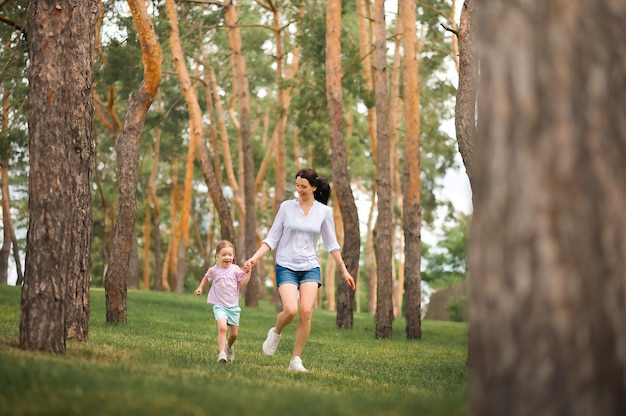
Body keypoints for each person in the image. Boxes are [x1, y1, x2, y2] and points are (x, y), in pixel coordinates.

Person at [244, 168, 356, 372]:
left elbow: (332, 244)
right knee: (291, 310)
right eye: (297, 186)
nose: (299, 190)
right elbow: (272, 238)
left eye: (303, 186)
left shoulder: (323, 212)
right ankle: (276, 332)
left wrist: (344, 271)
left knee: (306, 311)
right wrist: (254, 258)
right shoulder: (287, 207)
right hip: (286, 264)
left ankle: (295, 359)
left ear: (314, 187)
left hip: (310, 267)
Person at [195, 240, 251, 363]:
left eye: (230, 255)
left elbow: (243, 283)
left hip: (233, 307)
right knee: (222, 328)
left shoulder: (236, 269)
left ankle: (229, 347)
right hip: (219, 305)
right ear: (217, 256)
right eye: (224, 255)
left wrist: (248, 272)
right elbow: (206, 277)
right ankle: (221, 354)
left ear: (233, 256)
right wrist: (200, 287)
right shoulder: (214, 270)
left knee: (234, 335)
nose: (227, 257)